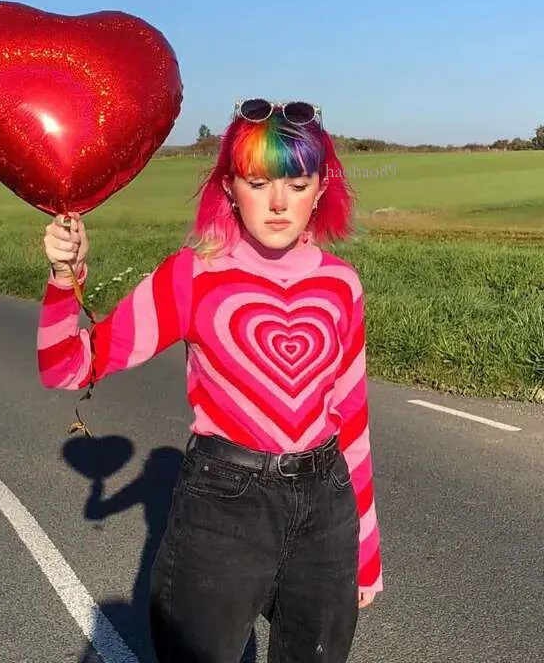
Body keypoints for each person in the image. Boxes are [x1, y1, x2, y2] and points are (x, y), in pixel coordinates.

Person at [37, 98, 383, 663]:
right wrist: (62, 278)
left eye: (297, 184)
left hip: (326, 504)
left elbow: (354, 418)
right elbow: (67, 366)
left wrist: (365, 548)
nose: (278, 203)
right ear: (229, 188)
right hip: (224, 503)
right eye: (258, 181)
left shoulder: (341, 283)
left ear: (322, 189)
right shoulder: (192, 276)